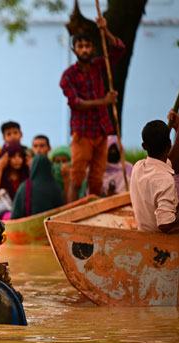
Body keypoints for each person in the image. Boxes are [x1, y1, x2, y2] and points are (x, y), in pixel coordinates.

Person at [60, 16, 125, 203]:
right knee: (77, 177)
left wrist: (104, 30)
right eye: (80, 46)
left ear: (93, 49)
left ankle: (94, 216)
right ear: (74, 50)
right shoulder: (68, 75)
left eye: (88, 46)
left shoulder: (98, 66)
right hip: (82, 133)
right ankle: (70, 214)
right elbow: (76, 102)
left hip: (101, 131)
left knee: (97, 178)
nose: (85, 50)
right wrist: (104, 101)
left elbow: (119, 49)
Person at [129, 118, 179, 233]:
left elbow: (170, 160)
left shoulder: (138, 167)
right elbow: (165, 224)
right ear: (169, 144)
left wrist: (178, 129)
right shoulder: (166, 180)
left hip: (143, 233)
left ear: (144, 146)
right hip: (160, 243)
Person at [11, 155, 65, 219]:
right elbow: (61, 211)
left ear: (33, 168)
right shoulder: (55, 187)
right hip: (51, 227)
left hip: (29, 227)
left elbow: (15, 215)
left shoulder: (25, 187)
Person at [0, 142, 30, 219]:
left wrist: (31, 165)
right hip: (9, 216)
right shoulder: (4, 177)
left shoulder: (25, 175)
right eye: (13, 156)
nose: (17, 159)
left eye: (20, 156)